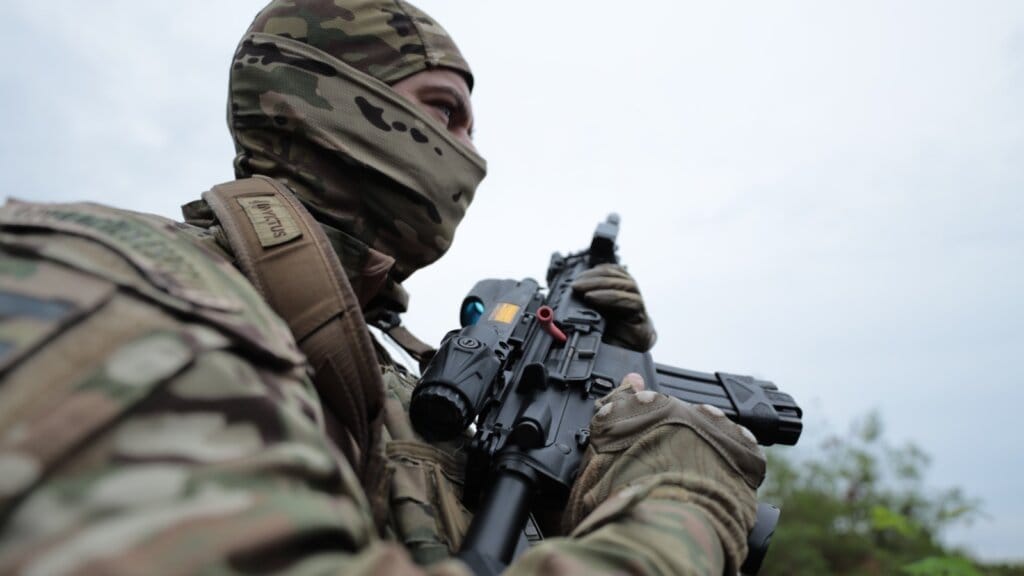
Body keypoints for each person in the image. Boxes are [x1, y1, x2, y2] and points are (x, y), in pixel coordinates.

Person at [0, 1, 765, 574]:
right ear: (321, 99)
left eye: (471, 131)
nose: (470, 158)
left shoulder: (381, 386)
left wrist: (608, 396)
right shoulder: (116, 282)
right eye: (443, 112)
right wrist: (682, 506)